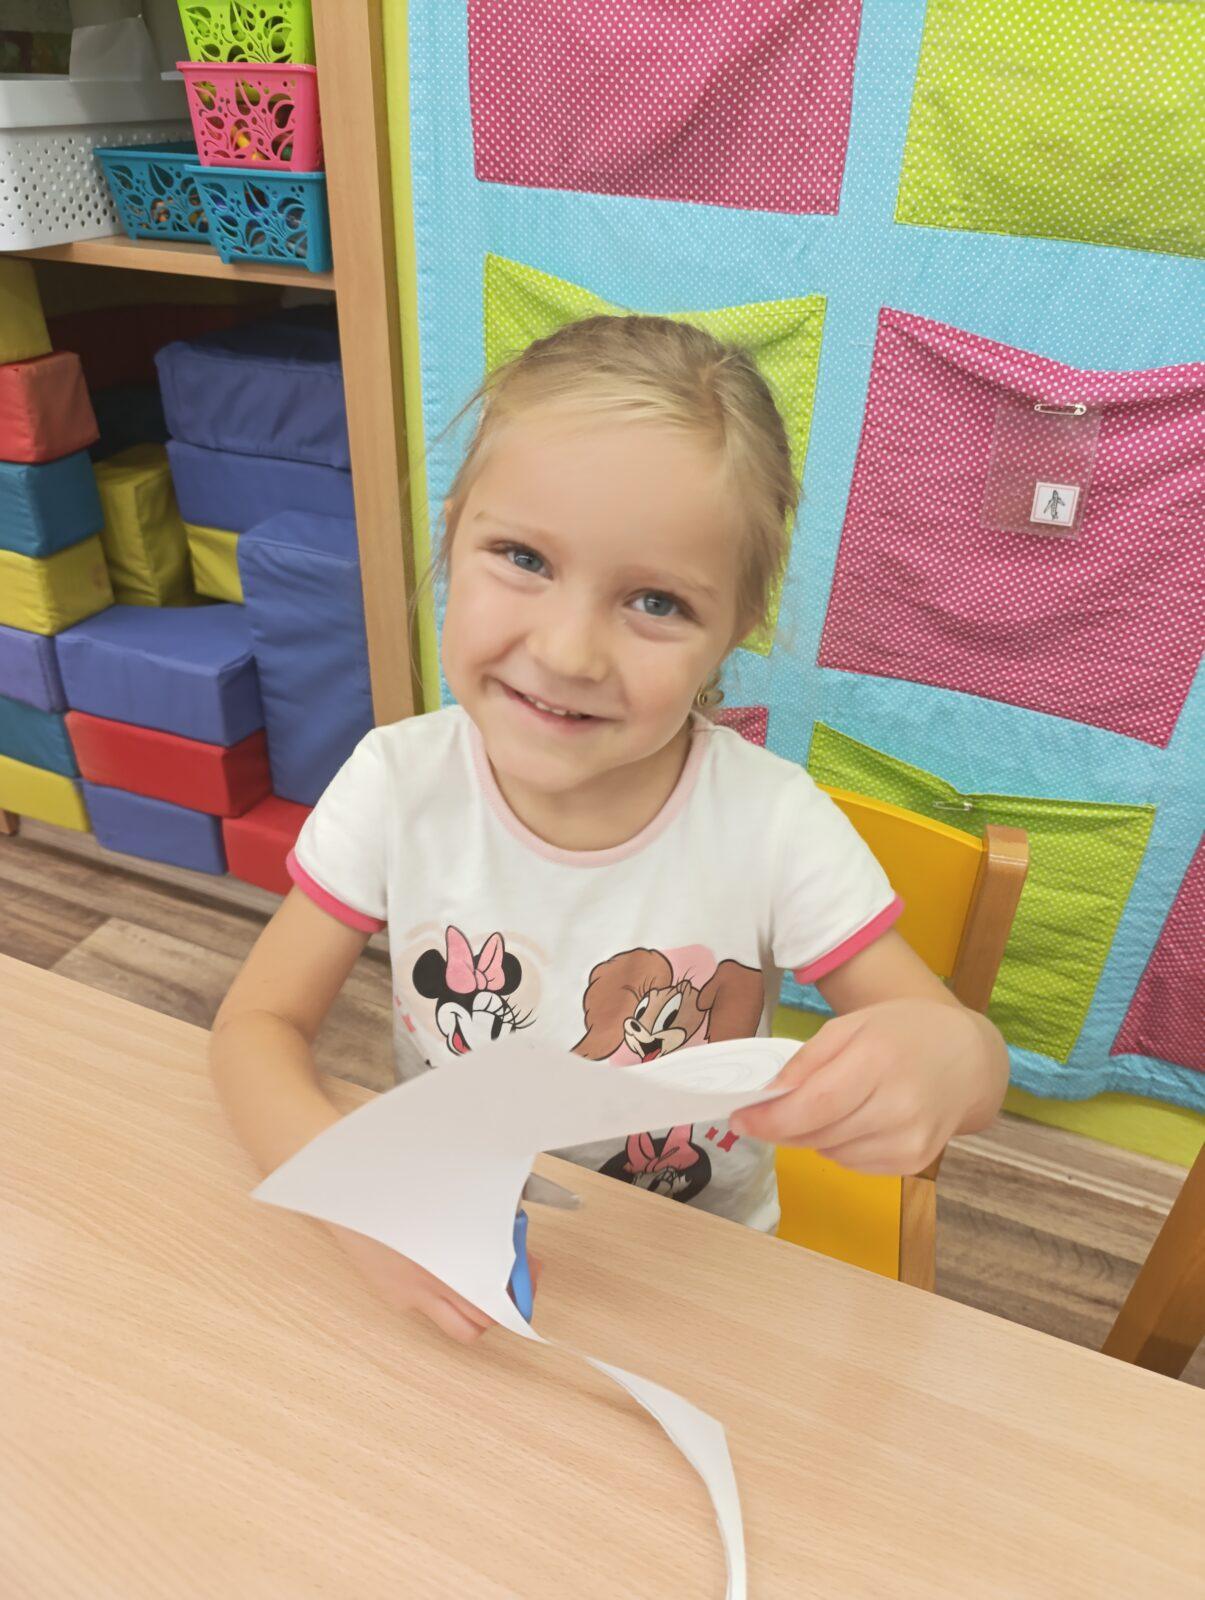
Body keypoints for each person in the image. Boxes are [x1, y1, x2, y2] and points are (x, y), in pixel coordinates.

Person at [211, 315, 1009, 1343]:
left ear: (734, 630)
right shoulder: (396, 783)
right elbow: (254, 1030)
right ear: (451, 538)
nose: (568, 651)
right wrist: (360, 1199)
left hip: (696, 1277)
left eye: (655, 602)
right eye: (522, 557)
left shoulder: (771, 825)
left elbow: (969, 1065)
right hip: (455, 1244)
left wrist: (946, 1057)